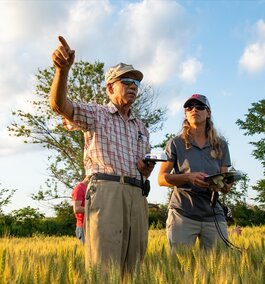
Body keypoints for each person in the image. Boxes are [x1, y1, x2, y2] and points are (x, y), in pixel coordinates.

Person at [50, 36, 154, 276]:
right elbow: (59, 105)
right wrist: (62, 71)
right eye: (126, 81)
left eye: (136, 84)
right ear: (110, 87)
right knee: (104, 271)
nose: (133, 87)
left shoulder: (141, 127)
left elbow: (142, 166)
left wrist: (145, 169)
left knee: (135, 270)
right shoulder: (97, 114)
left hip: (137, 195)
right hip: (107, 193)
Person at [158, 94, 234, 250]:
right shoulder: (175, 143)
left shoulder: (221, 145)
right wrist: (188, 177)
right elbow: (162, 179)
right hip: (182, 213)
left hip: (213, 213)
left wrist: (222, 184)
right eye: (189, 107)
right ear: (186, 114)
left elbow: (226, 186)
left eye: (200, 107)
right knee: (179, 267)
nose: (194, 110)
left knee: (220, 267)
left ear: (208, 113)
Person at [71, 176, 89, 244]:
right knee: (87, 253)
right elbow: (76, 209)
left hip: (92, 225)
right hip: (83, 227)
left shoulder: (90, 188)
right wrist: (95, 209)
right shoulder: (79, 188)